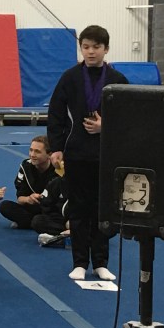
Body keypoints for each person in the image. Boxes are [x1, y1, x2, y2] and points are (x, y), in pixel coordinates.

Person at [48, 25, 128, 281]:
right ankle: (80, 262)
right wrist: (56, 147)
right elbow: (56, 113)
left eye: (96, 47)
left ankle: (100, 262)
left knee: (102, 210)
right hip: (76, 153)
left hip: (107, 155)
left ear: (106, 49)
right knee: (79, 209)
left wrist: (106, 126)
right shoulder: (70, 78)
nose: (91, 52)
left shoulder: (118, 80)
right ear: (80, 48)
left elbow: (131, 118)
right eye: (86, 47)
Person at [0, 135, 58, 229]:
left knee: (42, 219)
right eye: (31, 150)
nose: (32, 155)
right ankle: (34, 223)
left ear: (49, 154)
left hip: (52, 209)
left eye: (37, 151)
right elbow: (20, 199)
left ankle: (31, 223)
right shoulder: (26, 166)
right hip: (34, 208)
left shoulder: (58, 170)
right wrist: (29, 199)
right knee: (5, 206)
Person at [33, 174, 69, 241]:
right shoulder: (56, 182)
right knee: (38, 221)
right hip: (62, 222)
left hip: (82, 221)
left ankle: (71, 235)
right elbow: (46, 207)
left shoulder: (86, 184)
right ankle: (68, 234)